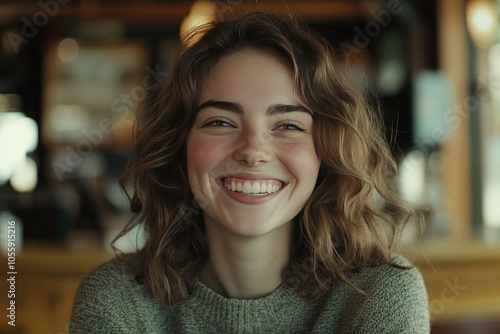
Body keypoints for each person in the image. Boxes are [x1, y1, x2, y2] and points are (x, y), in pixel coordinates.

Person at [70, 11, 430, 333]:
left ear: (327, 151)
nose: (253, 151)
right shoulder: (117, 299)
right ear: (179, 146)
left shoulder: (379, 294)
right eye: (221, 121)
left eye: (288, 125)